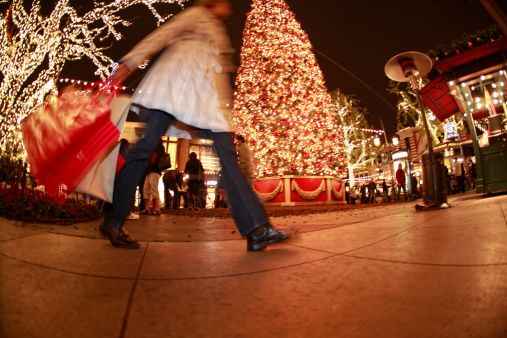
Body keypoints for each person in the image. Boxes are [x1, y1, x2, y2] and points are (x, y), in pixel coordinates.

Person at [100, 0, 288, 250]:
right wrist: (130, 62)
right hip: (171, 89)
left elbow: (219, 72)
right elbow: (163, 34)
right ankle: (114, 219)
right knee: (143, 151)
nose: (228, 7)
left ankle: (257, 229)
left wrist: (225, 113)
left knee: (228, 160)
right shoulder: (196, 15)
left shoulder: (217, 30)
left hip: (206, 102)